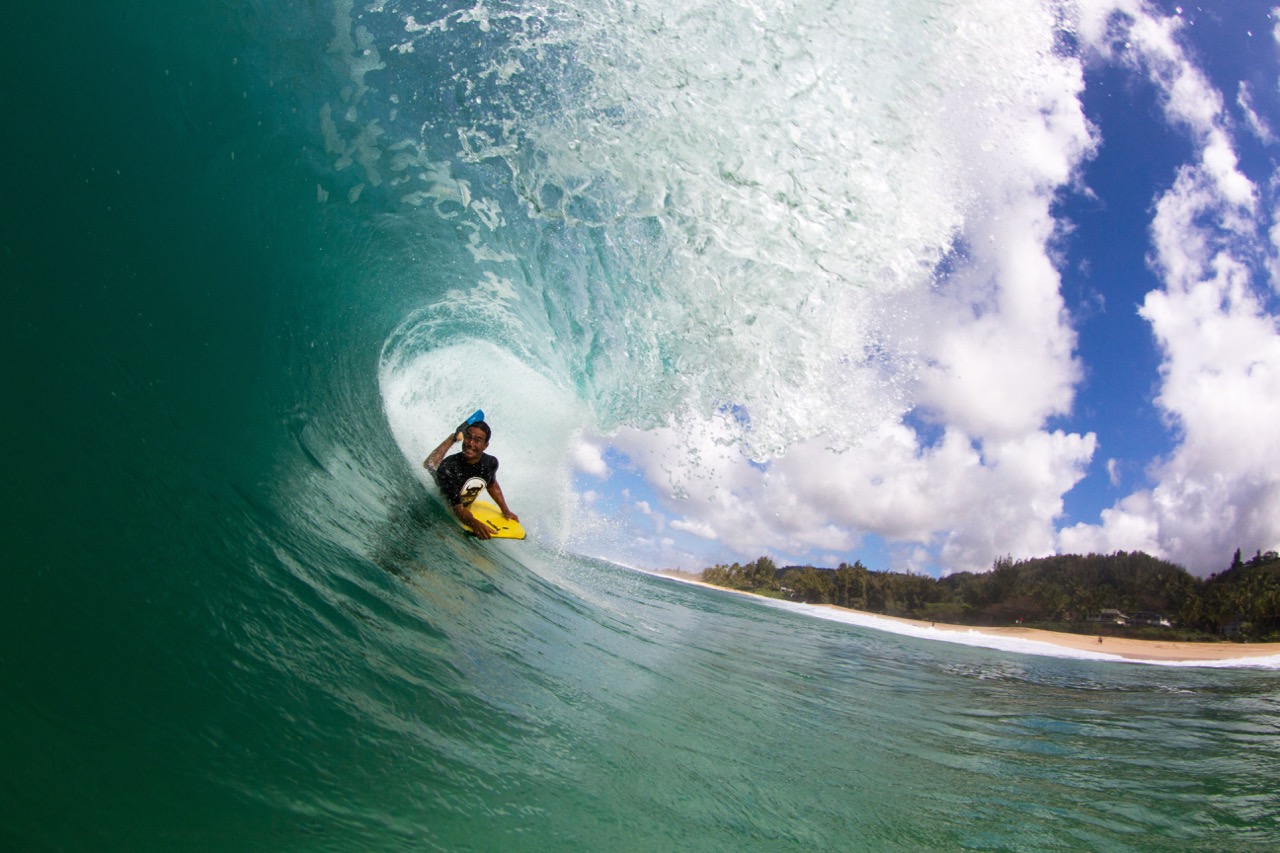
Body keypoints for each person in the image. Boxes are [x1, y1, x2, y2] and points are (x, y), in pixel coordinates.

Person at [424, 419, 518, 539]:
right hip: (446, 485)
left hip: (461, 496)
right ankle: (453, 437)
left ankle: (457, 435)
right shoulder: (449, 468)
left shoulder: (491, 463)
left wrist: (505, 510)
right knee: (430, 466)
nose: (470, 443)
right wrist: (474, 523)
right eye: (468, 437)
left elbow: (491, 484)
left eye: (477, 440)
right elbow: (458, 509)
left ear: (486, 445)